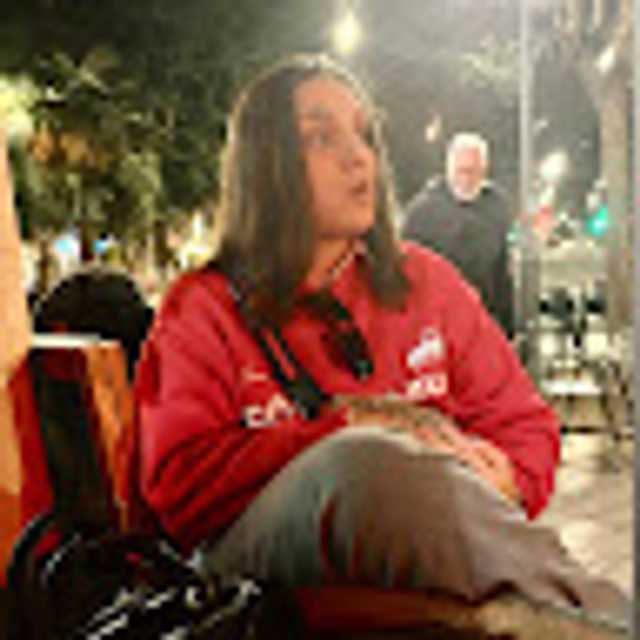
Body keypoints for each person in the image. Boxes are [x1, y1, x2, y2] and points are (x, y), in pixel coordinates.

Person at [134, 54, 627, 620]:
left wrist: (503, 478)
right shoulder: (202, 306)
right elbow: (179, 488)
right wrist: (349, 430)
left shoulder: (428, 283)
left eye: (365, 136)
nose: (358, 156)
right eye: (321, 138)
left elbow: (525, 424)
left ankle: (590, 621)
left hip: (429, 563)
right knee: (366, 466)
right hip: (256, 577)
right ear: (266, 164)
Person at [402, 132, 515, 338]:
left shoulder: (497, 206)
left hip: (482, 318)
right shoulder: (422, 212)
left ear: (484, 171)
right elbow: (408, 275)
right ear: (448, 169)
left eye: (474, 171)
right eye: (462, 171)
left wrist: (508, 328)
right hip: (437, 322)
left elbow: (501, 271)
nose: (467, 179)